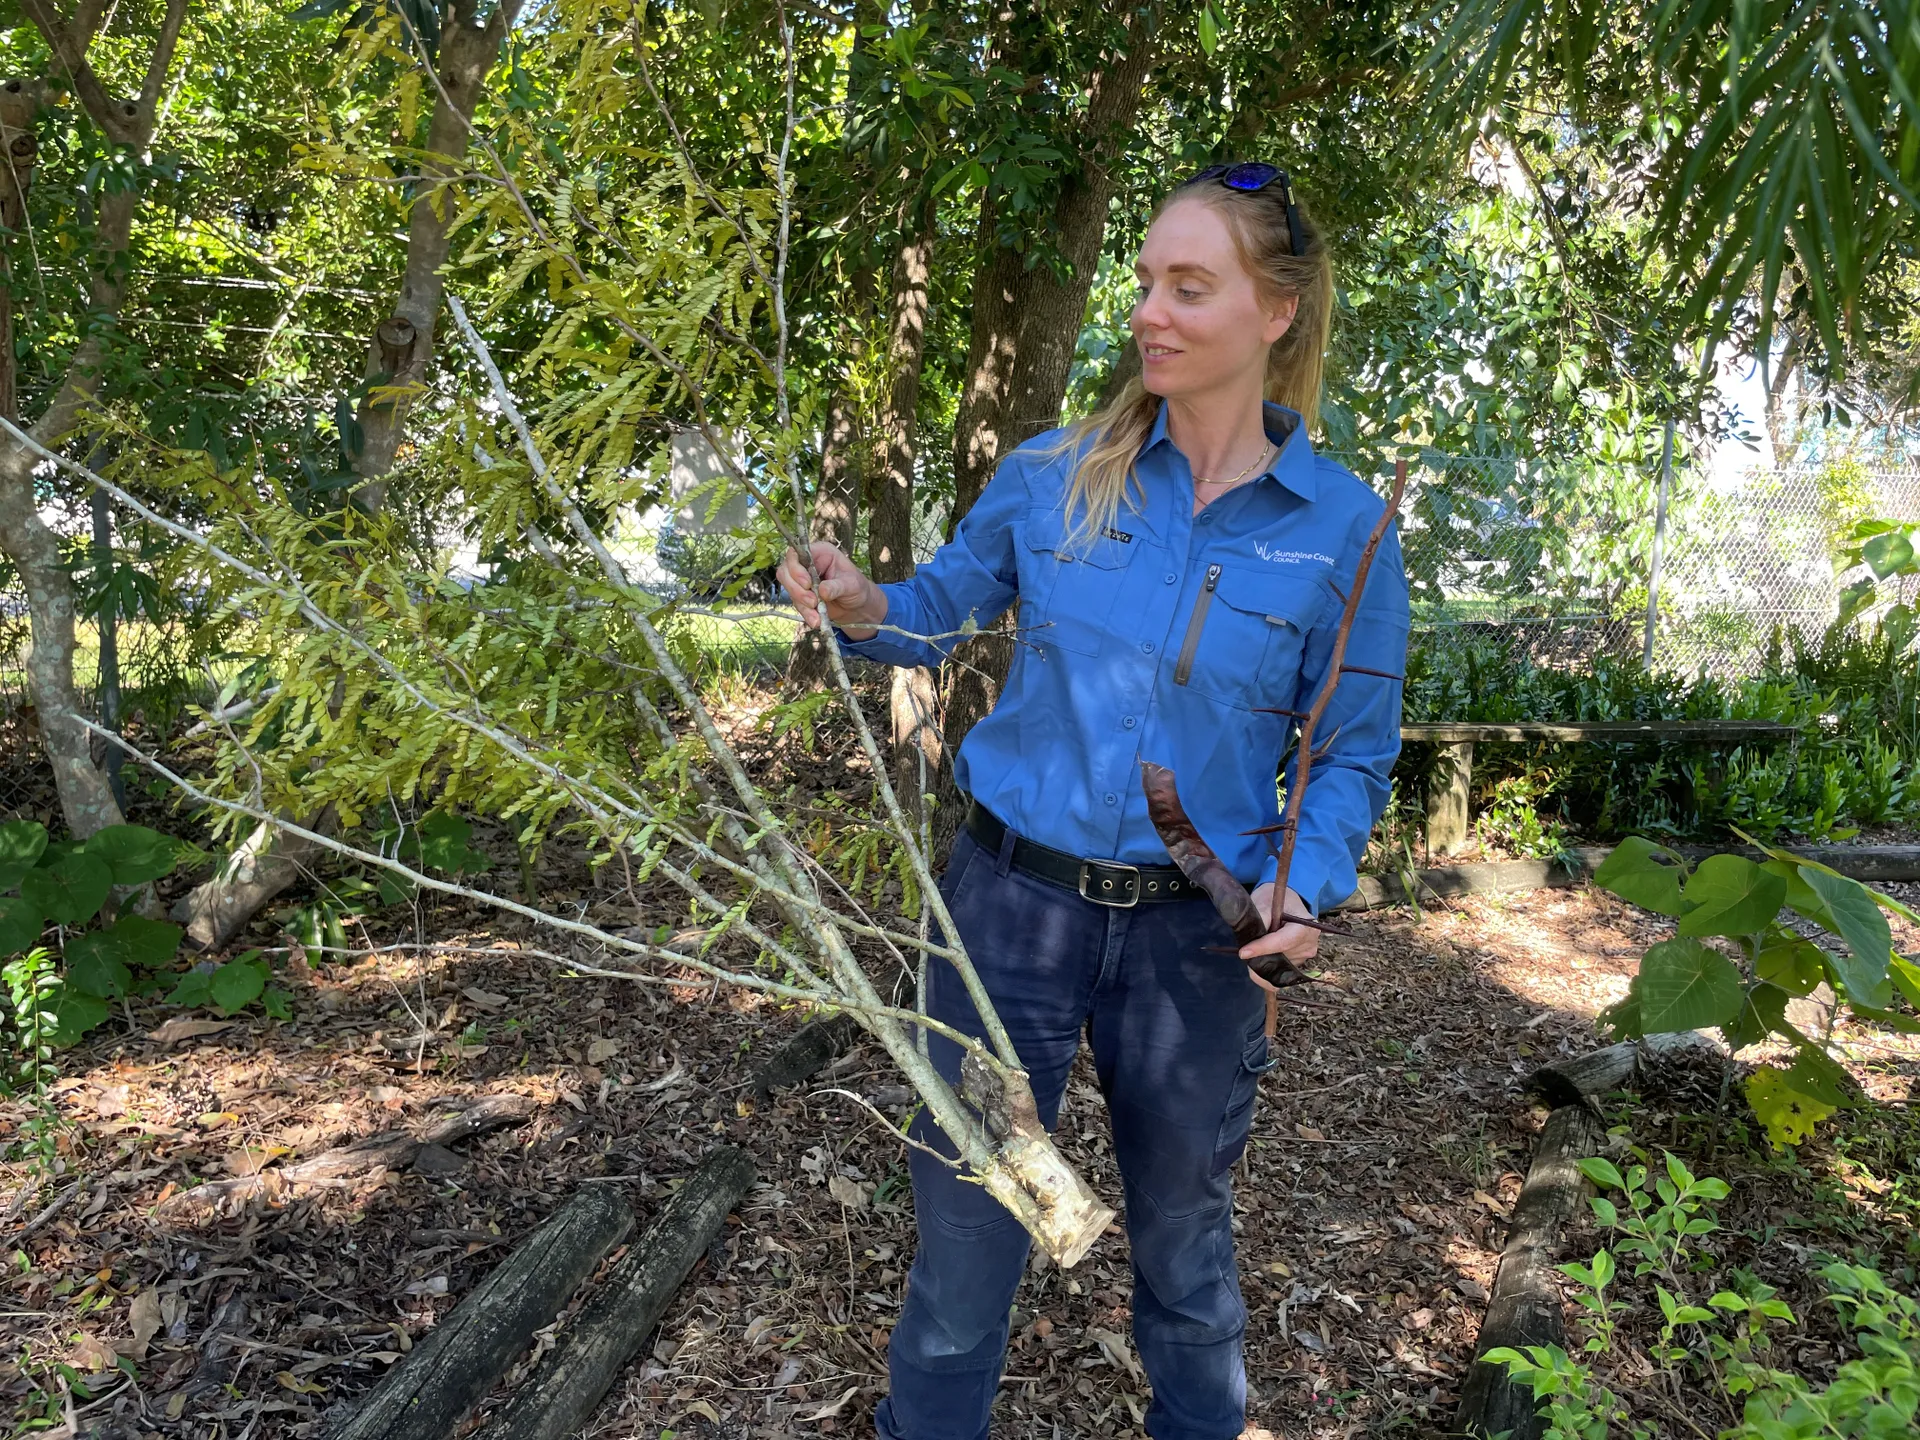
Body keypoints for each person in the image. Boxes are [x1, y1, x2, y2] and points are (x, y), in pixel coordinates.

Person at [777, 162, 1410, 1440]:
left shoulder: (1345, 530)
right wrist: (860, 605)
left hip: (1193, 943)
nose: (1152, 314)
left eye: (1191, 287)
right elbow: (936, 611)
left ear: (1276, 312)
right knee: (964, 1259)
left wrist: (1309, 878)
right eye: (1145, 284)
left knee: (1185, 1254)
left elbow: (1351, 752)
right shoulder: (1055, 474)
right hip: (1006, 917)